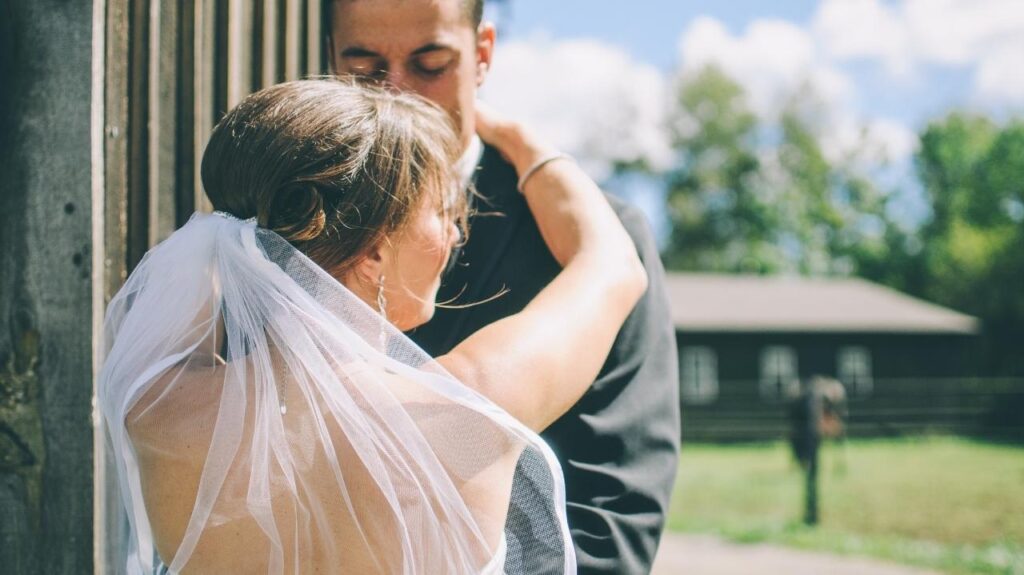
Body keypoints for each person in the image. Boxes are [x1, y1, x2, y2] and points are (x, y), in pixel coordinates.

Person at [98, 79, 646, 573]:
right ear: (375, 253)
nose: (455, 237)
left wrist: (247, 238)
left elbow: (207, 267)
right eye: (443, 213)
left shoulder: (156, 406)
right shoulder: (466, 407)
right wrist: (517, 136)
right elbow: (612, 265)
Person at [326, 1, 681, 572]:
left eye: (431, 64)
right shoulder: (294, 222)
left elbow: (616, 505)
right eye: (365, 68)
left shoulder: (592, 234)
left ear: (482, 54)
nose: (396, 94)